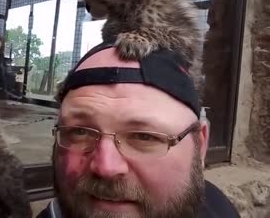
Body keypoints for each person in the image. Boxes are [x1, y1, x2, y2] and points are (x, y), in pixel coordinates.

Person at [37, 42, 240, 218]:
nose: (106, 167)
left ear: (201, 146)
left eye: (144, 137)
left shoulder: (218, 209)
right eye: (80, 132)